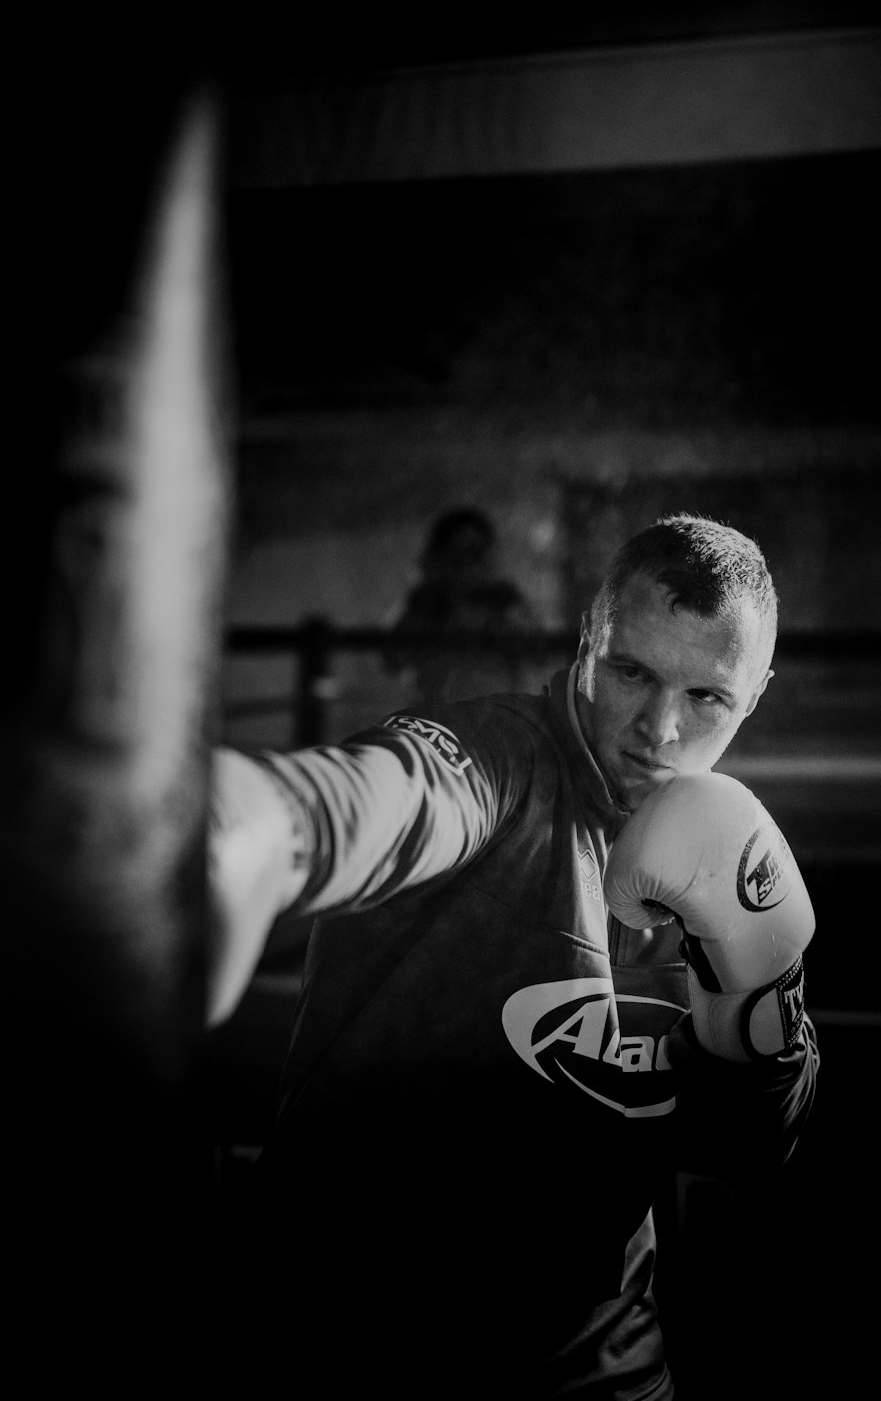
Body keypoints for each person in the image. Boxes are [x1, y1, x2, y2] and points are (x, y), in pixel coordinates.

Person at [208, 513, 819, 1400]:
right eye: (633, 672)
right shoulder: (498, 763)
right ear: (587, 641)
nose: (660, 728)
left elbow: (761, 1144)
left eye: (707, 699)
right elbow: (400, 795)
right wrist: (264, 828)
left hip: (591, 1365)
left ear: (755, 693)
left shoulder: (732, 859)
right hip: (348, 1341)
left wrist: (760, 1000)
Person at [385, 505, 540, 700]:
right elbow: (393, 658)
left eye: (475, 552)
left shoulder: (505, 602)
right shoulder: (425, 603)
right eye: (456, 555)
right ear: (440, 556)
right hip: (439, 718)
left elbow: (540, 653)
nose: (467, 564)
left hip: (496, 715)